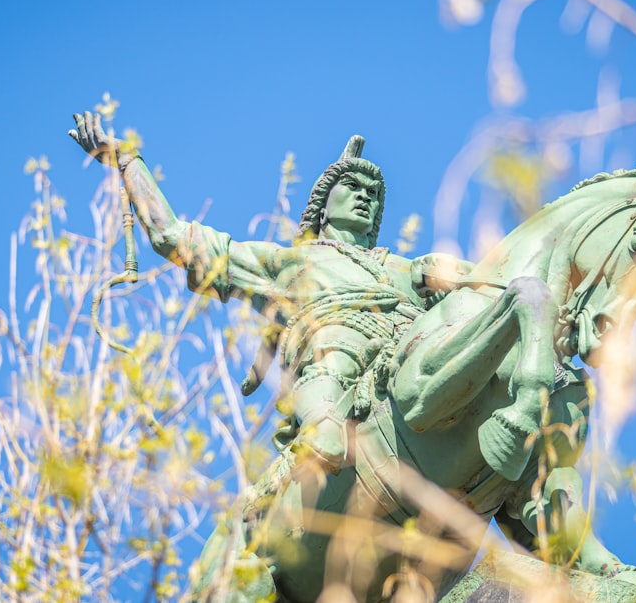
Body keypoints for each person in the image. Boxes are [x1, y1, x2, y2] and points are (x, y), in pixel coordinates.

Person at [70, 112, 471, 469]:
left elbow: (482, 289)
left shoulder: (402, 270)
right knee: (334, 367)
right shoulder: (285, 264)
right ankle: (322, 432)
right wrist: (126, 161)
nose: (366, 195)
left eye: (374, 193)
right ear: (323, 207)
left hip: (407, 355)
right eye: (353, 185)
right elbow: (172, 236)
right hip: (336, 356)